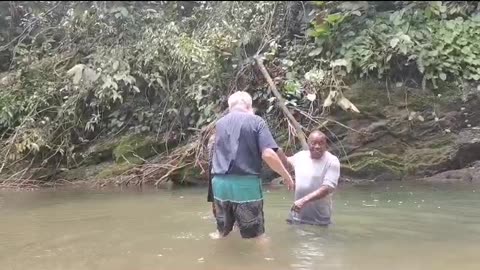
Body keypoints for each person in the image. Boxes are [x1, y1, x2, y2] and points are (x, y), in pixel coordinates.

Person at [210, 91, 294, 239]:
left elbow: (214, 154)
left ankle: (218, 259)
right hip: (245, 186)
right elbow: (268, 154)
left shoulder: (219, 124)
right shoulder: (256, 121)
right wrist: (286, 175)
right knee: (257, 236)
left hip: (219, 184)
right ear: (249, 106)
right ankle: (262, 262)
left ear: (230, 107)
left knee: (222, 233)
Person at [286, 130, 340, 226]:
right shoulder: (300, 156)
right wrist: (276, 151)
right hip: (297, 217)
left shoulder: (332, 161)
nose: (317, 146)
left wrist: (303, 201)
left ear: (326, 144)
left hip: (320, 220)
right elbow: (285, 163)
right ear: (308, 143)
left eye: (321, 143)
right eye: (313, 143)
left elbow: (328, 188)